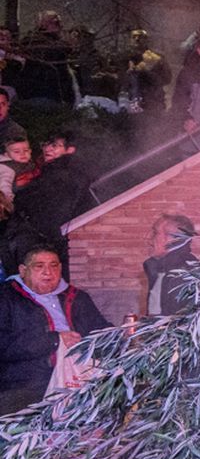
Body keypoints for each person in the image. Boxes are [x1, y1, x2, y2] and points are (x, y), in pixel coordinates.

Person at [0, 246, 111, 414]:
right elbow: (4, 345)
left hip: (77, 378)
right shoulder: (6, 298)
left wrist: (119, 335)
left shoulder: (77, 297)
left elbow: (100, 331)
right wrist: (54, 340)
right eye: (39, 266)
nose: (48, 272)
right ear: (23, 271)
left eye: (54, 266)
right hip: (25, 385)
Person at [6, 132, 94, 275]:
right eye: (46, 145)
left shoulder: (64, 174)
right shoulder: (46, 170)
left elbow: (49, 211)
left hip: (48, 242)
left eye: (55, 145)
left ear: (70, 150)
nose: (48, 149)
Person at [143, 214, 200, 319]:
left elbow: (171, 322)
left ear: (171, 239)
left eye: (155, 233)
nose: (149, 239)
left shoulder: (182, 274)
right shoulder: (162, 269)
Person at [119, 28, 172, 111]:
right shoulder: (122, 58)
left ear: (146, 40)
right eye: (134, 37)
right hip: (128, 102)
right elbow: (119, 79)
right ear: (130, 40)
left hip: (151, 101)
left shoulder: (156, 58)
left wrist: (147, 74)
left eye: (140, 37)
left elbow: (167, 78)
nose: (137, 39)